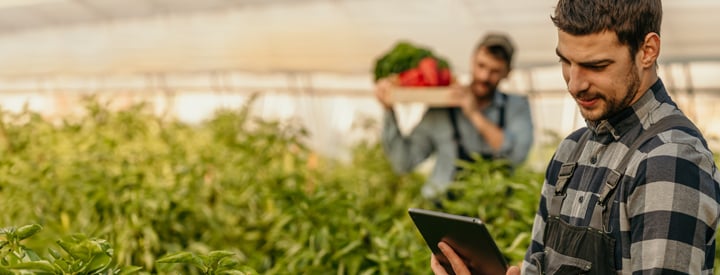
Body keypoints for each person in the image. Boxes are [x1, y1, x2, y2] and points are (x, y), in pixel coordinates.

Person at [431, 0, 720, 274]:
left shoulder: (668, 159)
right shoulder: (570, 151)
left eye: (596, 66)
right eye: (566, 61)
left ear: (647, 50)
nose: (575, 84)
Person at [375, 33, 534, 200]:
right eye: (481, 66)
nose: (484, 76)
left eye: (495, 71)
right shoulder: (443, 105)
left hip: (494, 207)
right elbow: (403, 163)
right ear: (472, 61)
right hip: (441, 207)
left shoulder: (516, 107)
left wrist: (473, 114)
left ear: (507, 73)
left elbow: (517, 157)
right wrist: (389, 110)